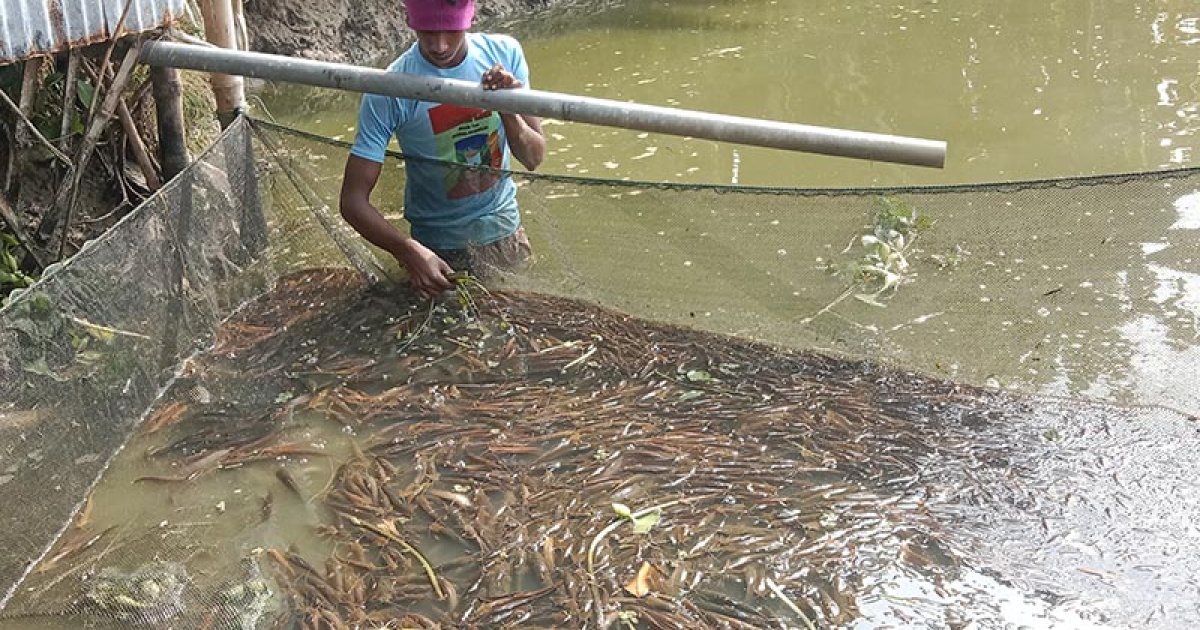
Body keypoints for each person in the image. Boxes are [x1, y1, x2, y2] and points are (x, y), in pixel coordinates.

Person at [339, 0, 546, 297]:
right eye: (426, 32)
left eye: (451, 30)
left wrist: (507, 108)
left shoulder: (504, 54)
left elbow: (534, 158)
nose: (439, 45)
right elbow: (352, 201)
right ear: (409, 20)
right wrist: (408, 251)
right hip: (436, 251)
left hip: (505, 236)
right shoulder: (391, 88)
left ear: (470, 18)